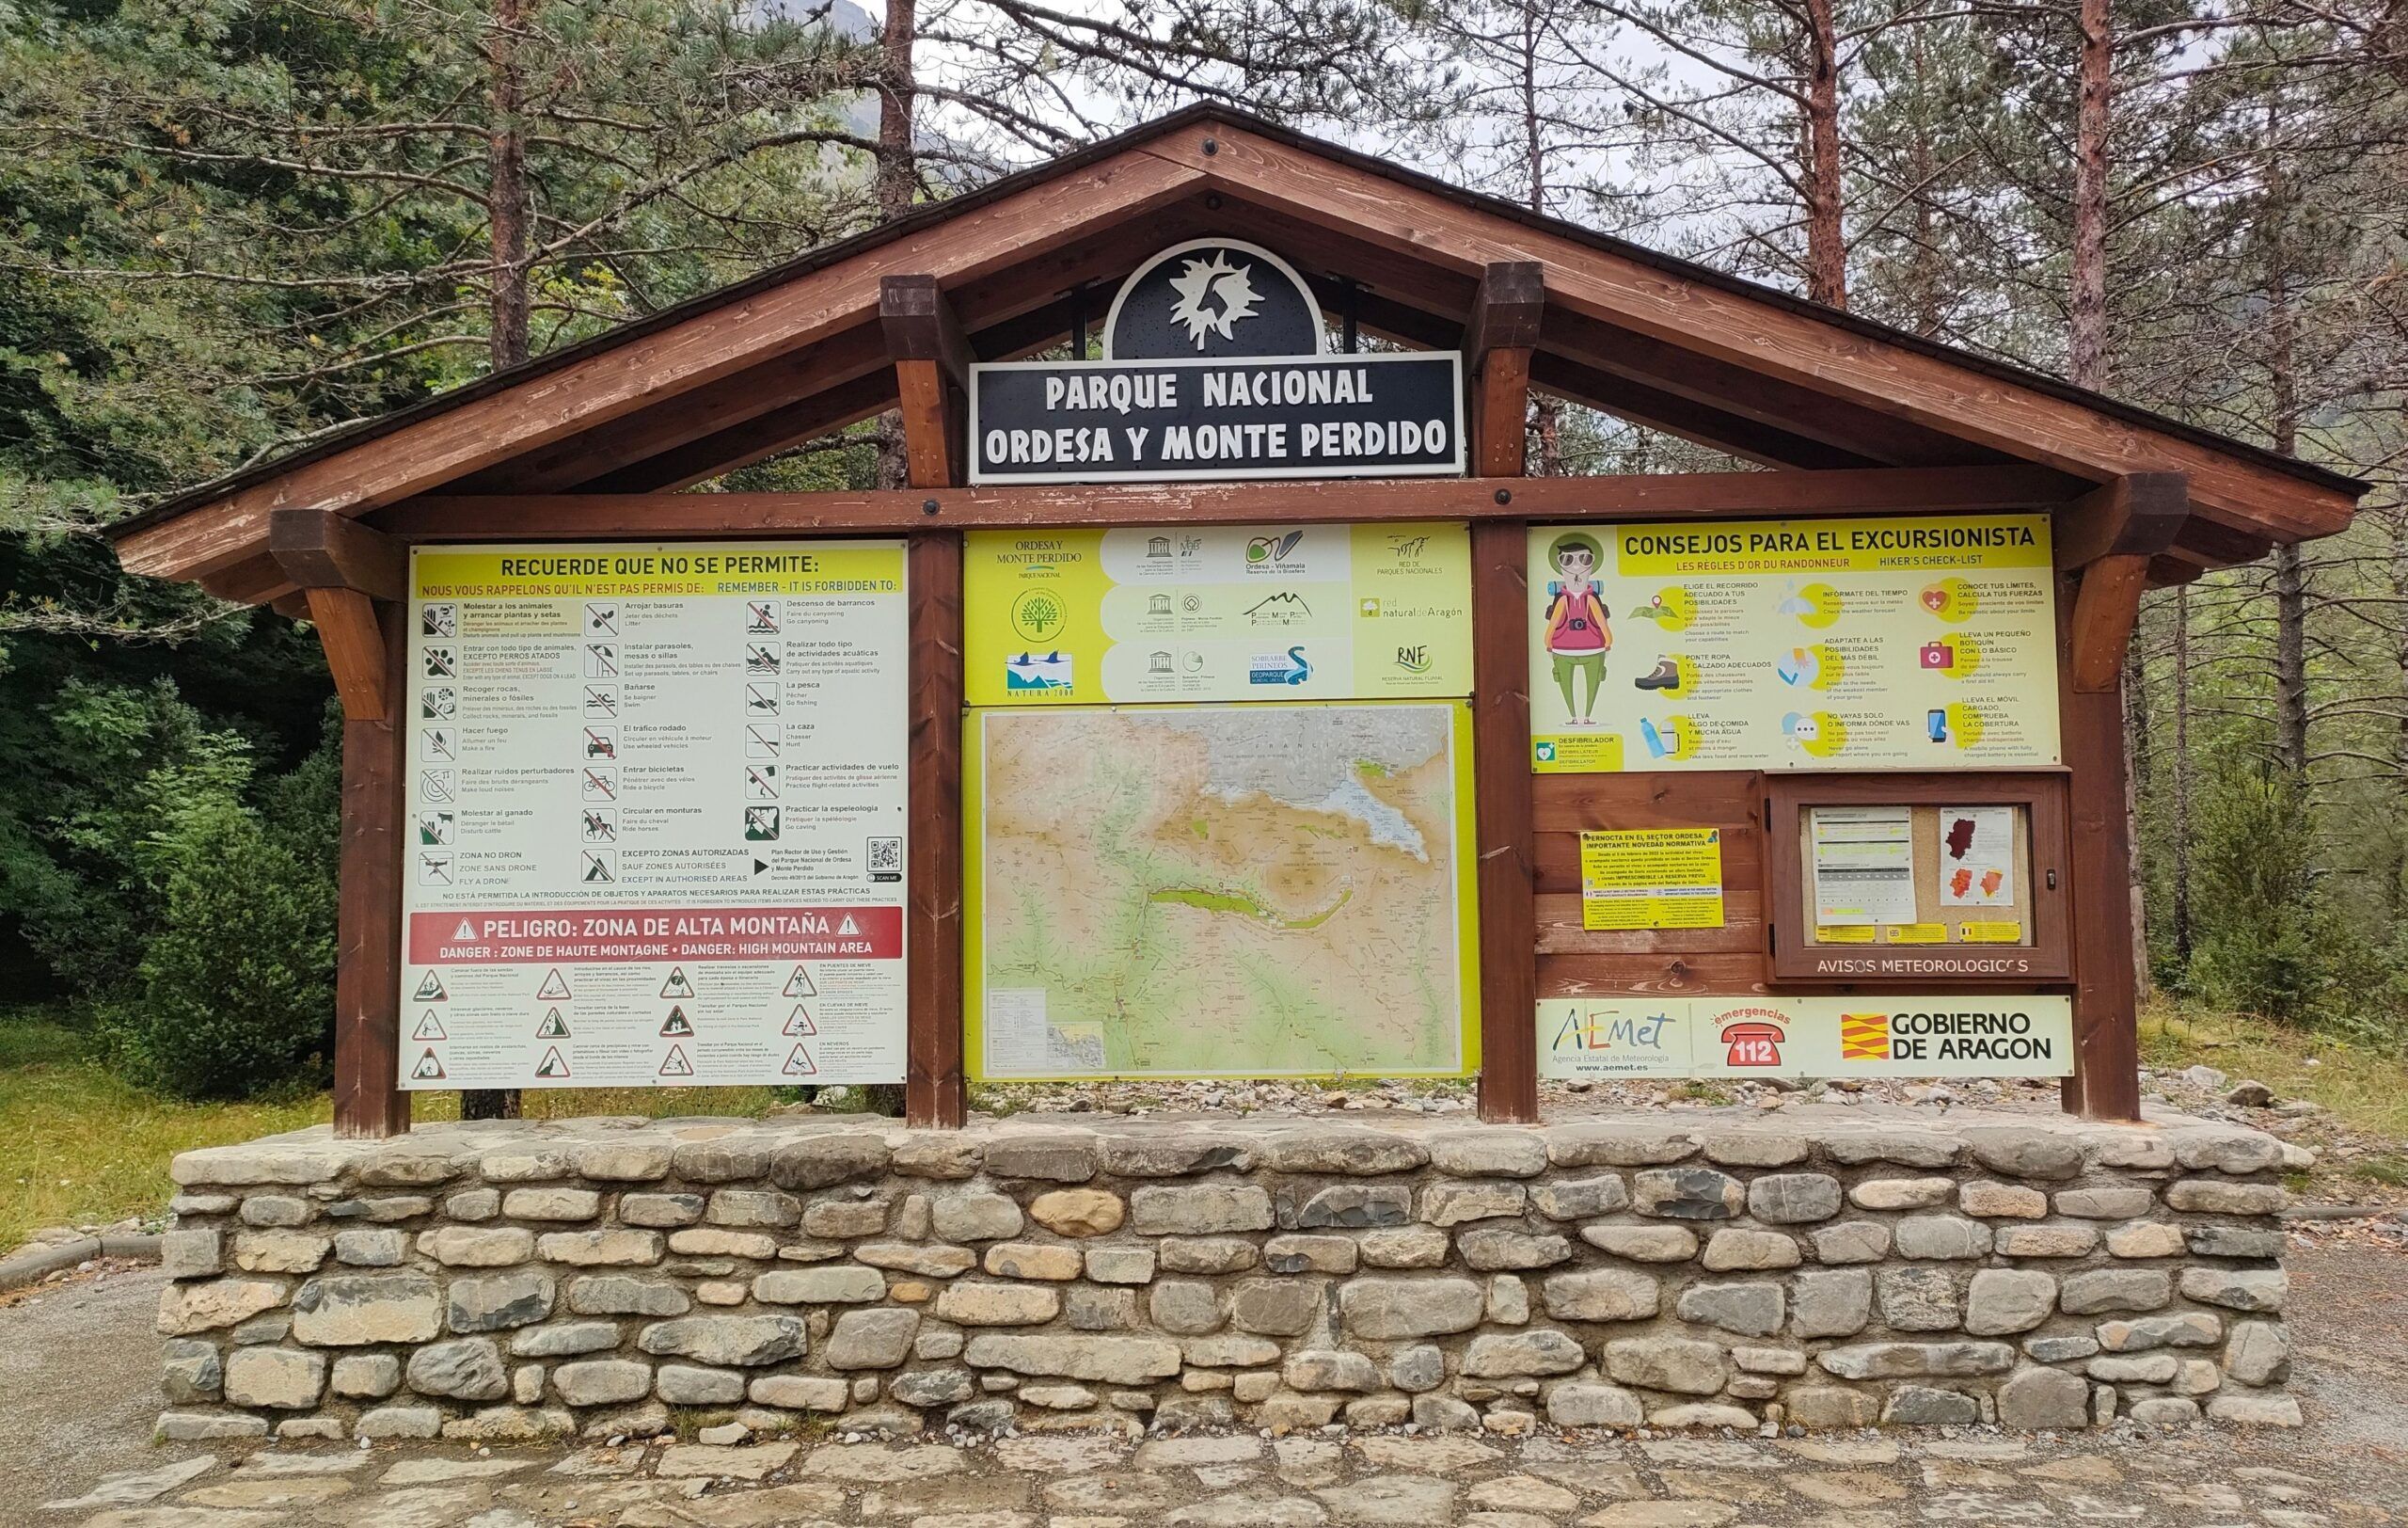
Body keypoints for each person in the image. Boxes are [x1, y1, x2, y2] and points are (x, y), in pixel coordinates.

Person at [1542, 533, 1610, 724]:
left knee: (1593, 682)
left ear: (1592, 564)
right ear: (1560, 566)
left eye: (1584, 559)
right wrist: (1548, 643)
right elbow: (1553, 623)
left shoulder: (1591, 599)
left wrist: (1608, 642)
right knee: (1564, 683)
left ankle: (1587, 716)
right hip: (1562, 648)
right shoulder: (1562, 599)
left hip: (1593, 647)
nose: (1577, 566)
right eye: (1568, 560)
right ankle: (1572, 716)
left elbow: (1602, 622)